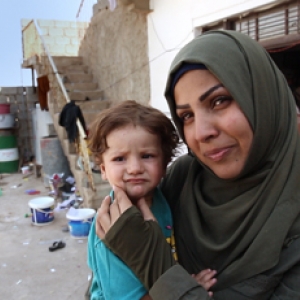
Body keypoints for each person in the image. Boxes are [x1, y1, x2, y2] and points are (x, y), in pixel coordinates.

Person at [95, 30, 300, 299]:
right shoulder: (181, 179)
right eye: (187, 115)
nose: (201, 132)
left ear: (263, 98)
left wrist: (156, 267)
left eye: (219, 100)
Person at [86, 100, 217, 299]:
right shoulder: (109, 226)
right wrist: (186, 289)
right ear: (103, 169)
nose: (135, 168)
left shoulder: (163, 200)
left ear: (165, 165)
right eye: (120, 159)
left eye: (147, 156)